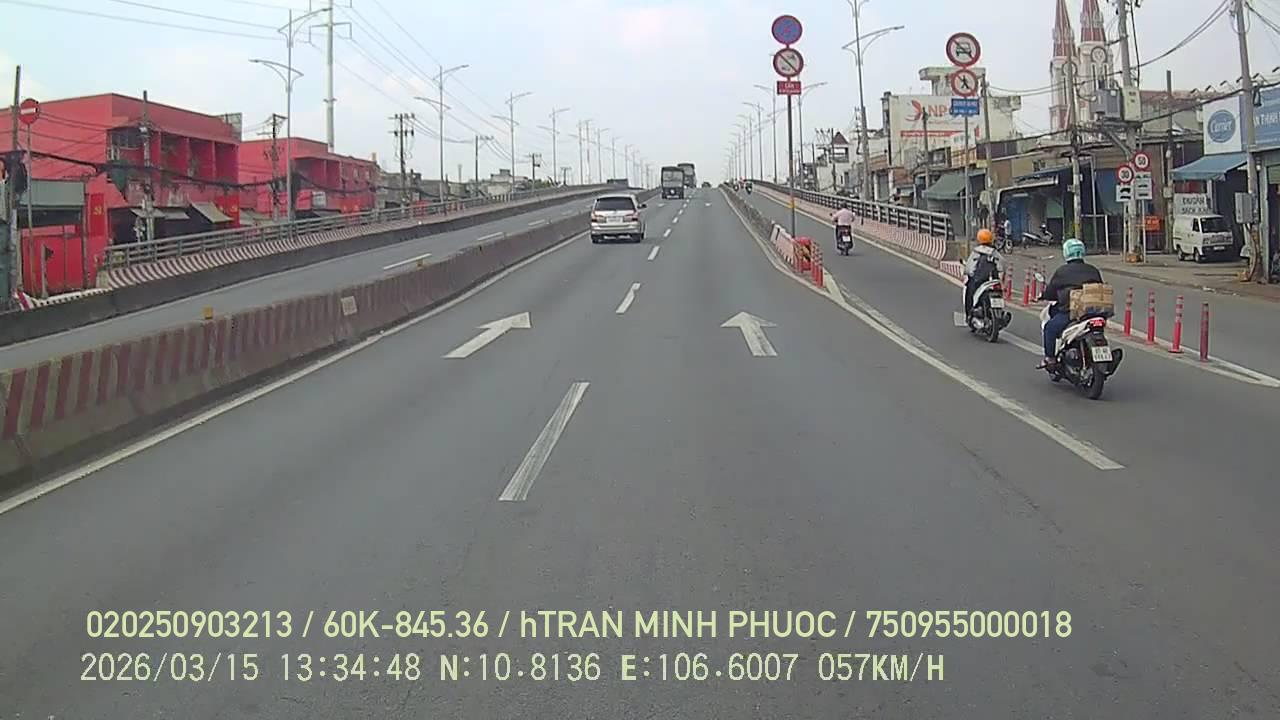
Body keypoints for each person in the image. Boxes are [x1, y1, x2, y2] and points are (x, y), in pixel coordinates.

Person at [1039, 238, 1103, 368]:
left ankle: (1050, 358)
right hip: (1094, 311)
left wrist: (1044, 296)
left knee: (1050, 328)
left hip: (1072, 312)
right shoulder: (1093, 270)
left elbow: (1051, 292)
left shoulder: (1062, 271)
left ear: (1066, 253)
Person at [963, 228, 1004, 318]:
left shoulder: (976, 252)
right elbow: (1001, 266)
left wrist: (967, 273)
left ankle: (969, 315)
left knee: (969, 293)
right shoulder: (994, 252)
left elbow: (969, 268)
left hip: (978, 281)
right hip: (993, 281)